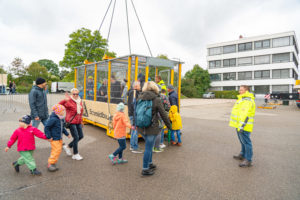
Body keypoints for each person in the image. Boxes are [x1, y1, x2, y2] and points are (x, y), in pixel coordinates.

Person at [137, 81, 171, 176]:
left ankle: (150, 163)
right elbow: (163, 114)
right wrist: (169, 126)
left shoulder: (140, 97)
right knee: (148, 148)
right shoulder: (156, 99)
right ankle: (145, 169)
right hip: (152, 128)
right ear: (155, 88)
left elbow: (136, 112)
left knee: (149, 145)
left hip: (141, 127)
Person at [229, 85, 256, 168]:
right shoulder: (242, 99)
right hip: (239, 125)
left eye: (241, 90)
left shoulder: (247, 100)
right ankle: (243, 154)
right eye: (239, 90)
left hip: (244, 126)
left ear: (246, 91)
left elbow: (245, 115)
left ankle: (248, 160)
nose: (239, 91)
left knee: (246, 142)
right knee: (242, 141)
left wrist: (241, 126)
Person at [59, 88, 84, 160]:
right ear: (71, 94)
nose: (76, 95)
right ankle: (75, 154)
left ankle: (68, 146)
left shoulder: (80, 100)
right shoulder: (68, 100)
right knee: (76, 137)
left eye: (77, 94)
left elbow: (81, 112)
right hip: (71, 121)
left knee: (81, 136)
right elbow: (58, 105)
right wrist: (64, 100)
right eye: (74, 94)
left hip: (78, 121)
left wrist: (81, 121)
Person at [45, 104, 71, 172]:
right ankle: (50, 164)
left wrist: (67, 134)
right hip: (54, 138)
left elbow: (62, 128)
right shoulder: (53, 119)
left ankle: (53, 162)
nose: (63, 112)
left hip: (59, 138)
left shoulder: (61, 118)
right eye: (62, 111)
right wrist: (49, 136)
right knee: (55, 151)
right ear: (58, 111)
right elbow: (47, 127)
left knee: (58, 150)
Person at [127, 81, 143, 153]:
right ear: (136, 86)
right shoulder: (134, 93)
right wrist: (134, 117)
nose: (140, 87)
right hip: (134, 115)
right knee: (135, 130)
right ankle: (134, 147)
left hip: (132, 114)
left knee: (133, 130)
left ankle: (132, 145)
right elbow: (134, 106)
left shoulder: (132, 92)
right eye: (139, 86)